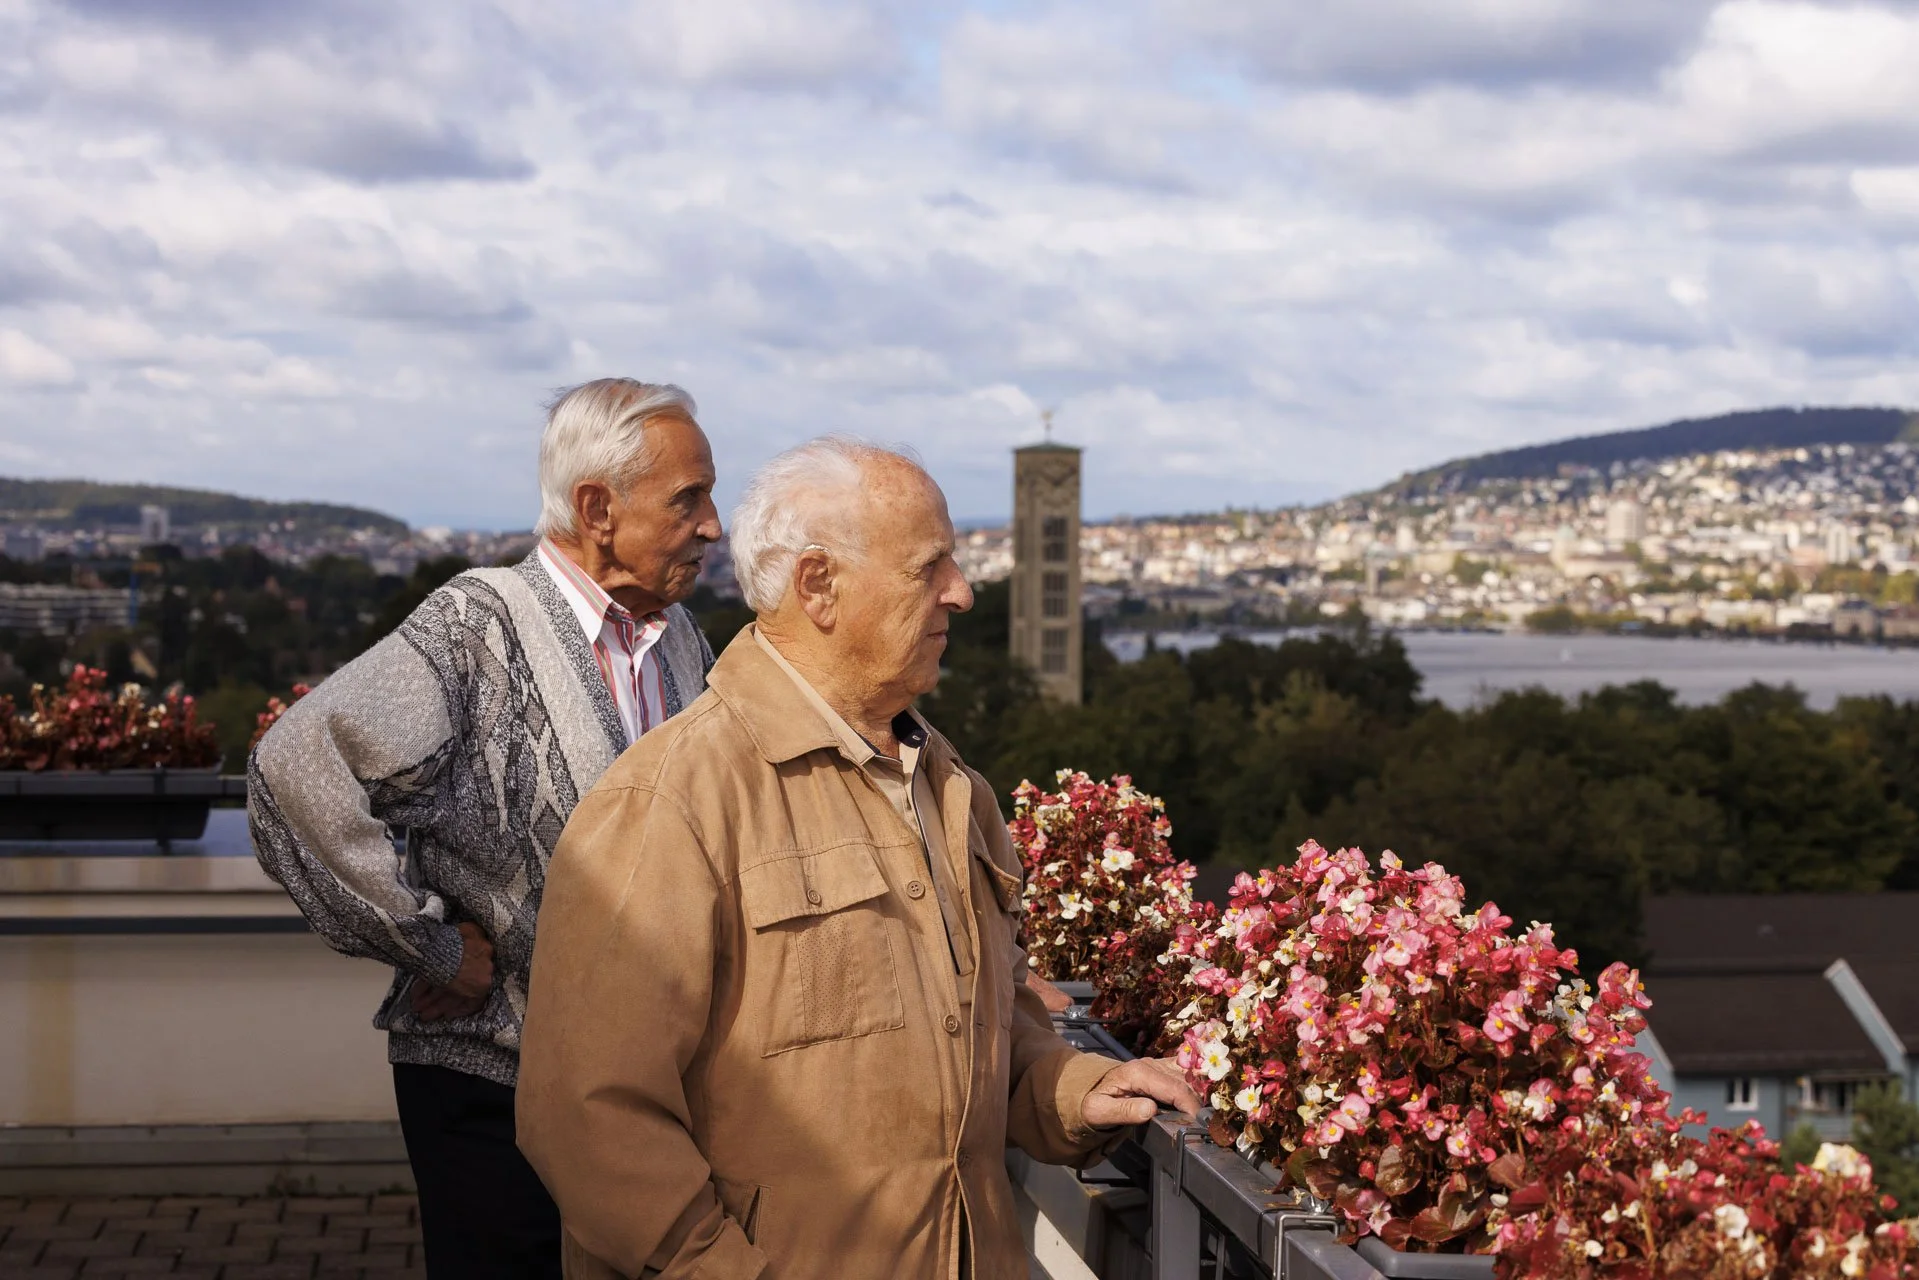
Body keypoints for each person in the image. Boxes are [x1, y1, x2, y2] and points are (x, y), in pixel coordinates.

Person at [517, 436, 1198, 1280]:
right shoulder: (669, 803)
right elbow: (587, 1118)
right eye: (930, 567)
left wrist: (1067, 1090)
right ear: (818, 586)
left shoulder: (951, 789)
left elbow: (966, 1026)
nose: (963, 591)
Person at [248, 378, 722, 1279]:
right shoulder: (477, 626)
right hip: (491, 1087)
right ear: (597, 508)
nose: (711, 526)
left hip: (646, 1096)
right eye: (686, 500)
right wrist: (427, 942)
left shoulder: (681, 640)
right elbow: (294, 766)